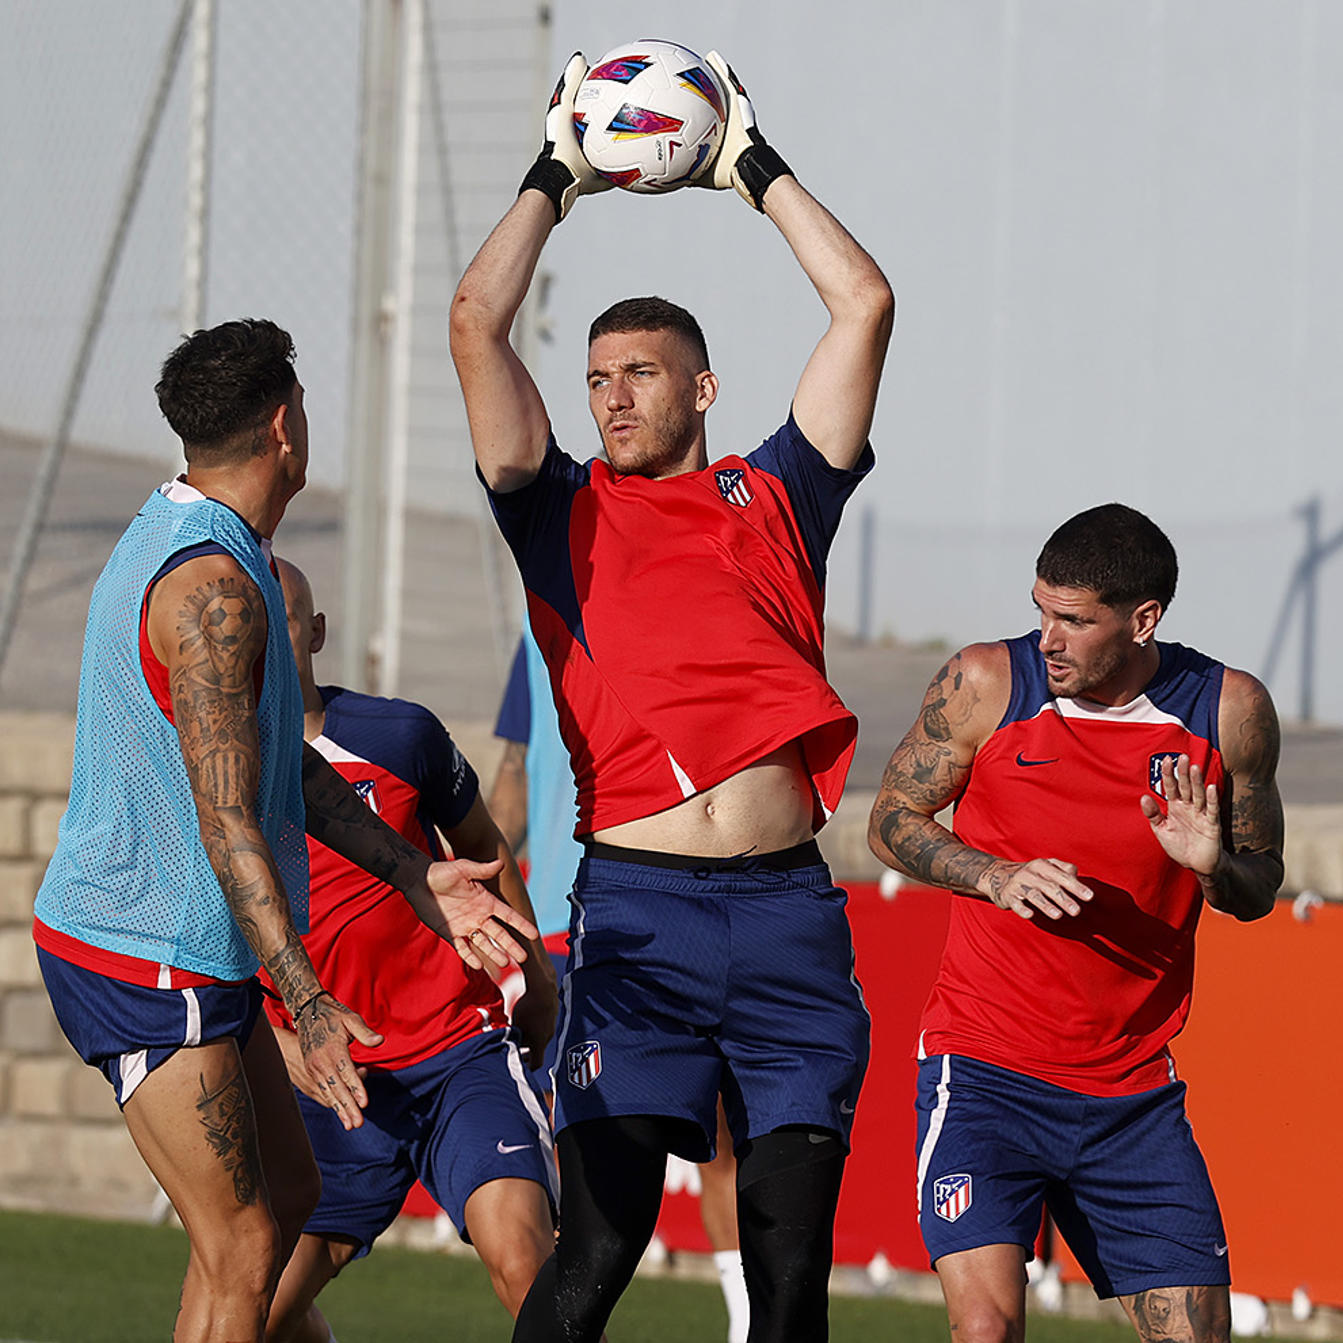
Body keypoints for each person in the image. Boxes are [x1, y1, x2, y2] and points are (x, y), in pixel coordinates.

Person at [451, 46, 893, 1343]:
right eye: (596, 377)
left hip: (789, 917)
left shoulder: (777, 498)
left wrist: (750, 165)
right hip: (642, 916)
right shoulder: (561, 513)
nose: (611, 396)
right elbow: (475, 321)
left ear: (701, 386)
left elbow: (862, 302)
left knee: (791, 1268)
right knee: (598, 1245)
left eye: (638, 372)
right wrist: (558, 172)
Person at [30, 319, 537, 1343]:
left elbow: (267, 761)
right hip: (146, 962)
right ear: (283, 427)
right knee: (245, 1248)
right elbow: (228, 815)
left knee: (291, 1195)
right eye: (302, 402)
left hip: (185, 951)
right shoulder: (216, 591)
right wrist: (305, 998)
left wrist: (410, 872)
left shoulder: (213, 542)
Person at [866, 504, 1286, 1343]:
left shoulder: (1227, 710)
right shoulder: (986, 682)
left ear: (1143, 620)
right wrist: (992, 873)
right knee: (985, 1329)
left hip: (1132, 1091)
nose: (1048, 637)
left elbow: (1259, 884)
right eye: (1041, 610)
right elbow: (889, 818)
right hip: (987, 1069)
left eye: (1074, 620)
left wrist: (1212, 866)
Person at [261, 560, 560, 1342]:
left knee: (525, 1261)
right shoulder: (215, 779)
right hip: (331, 1080)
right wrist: (285, 1049)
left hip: (456, 1051)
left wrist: (537, 984)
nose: (263, 640)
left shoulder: (401, 735)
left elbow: (484, 844)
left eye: (283, 619)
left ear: (315, 632)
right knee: (254, 1316)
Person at [491, 622, 751, 1343]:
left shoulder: (675, 609)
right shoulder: (537, 624)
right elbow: (514, 774)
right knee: (578, 1154)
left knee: (716, 1136)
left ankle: (741, 1324)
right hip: (567, 921)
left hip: (653, 908)